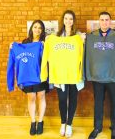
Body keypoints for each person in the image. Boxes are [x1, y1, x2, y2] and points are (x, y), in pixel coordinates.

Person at [41, 10, 85, 138]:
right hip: (60, 74)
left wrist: (84, 40)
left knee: (73, 98)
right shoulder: (56, 36)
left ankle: (70, 124)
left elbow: (83, 52)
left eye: (71, 19)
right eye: (66, 18)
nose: (68, 21)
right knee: (62, 99)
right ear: (63, 20)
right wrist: (47, 41)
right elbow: (47, 50)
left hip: (74, 73)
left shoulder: (78, 35)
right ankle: (63, 123)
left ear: (73, 21)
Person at [85, 11, 115, 139]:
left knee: (114, 102)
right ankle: (97, 127)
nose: (104, 22)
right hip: (97, 76)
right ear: (99, 21)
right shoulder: (92, 36)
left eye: (106, 19)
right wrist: (83, 39)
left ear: (110, 21)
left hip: (112, 75)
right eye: (102, 20)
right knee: (98, 102)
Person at [7, 20, 48, 135]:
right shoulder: (25, 42)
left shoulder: (44, 42)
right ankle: (33, 121)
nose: (37, 30)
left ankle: (40, 121)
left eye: (40, 28)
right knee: (31, 98)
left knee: (41, 96)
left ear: (42, 30)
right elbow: (19, 56)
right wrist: (12, 47)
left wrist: (45, 47)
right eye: (35, 27)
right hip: (28, 76)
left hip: (41, 75)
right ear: (31, 29)